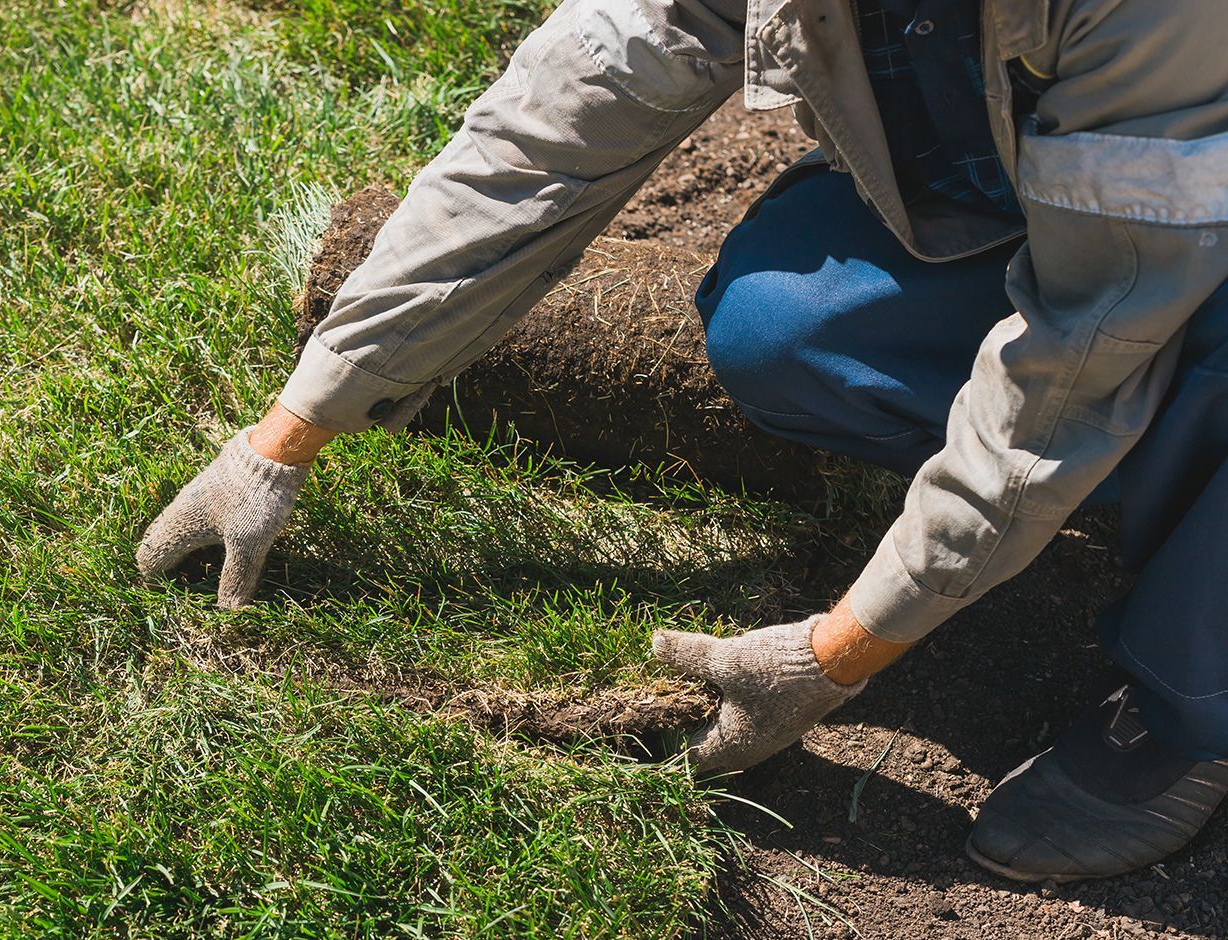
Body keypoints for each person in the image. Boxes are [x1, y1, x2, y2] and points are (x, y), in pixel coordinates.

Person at [135, 0, 1228, 883]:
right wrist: (282, 436)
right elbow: (553, 127)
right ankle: (1139, 484)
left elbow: (1081, 358)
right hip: (1097, 196)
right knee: (782, 323)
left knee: (1176, 371)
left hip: (1182, 203)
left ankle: (1191, 708)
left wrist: (837, 652)